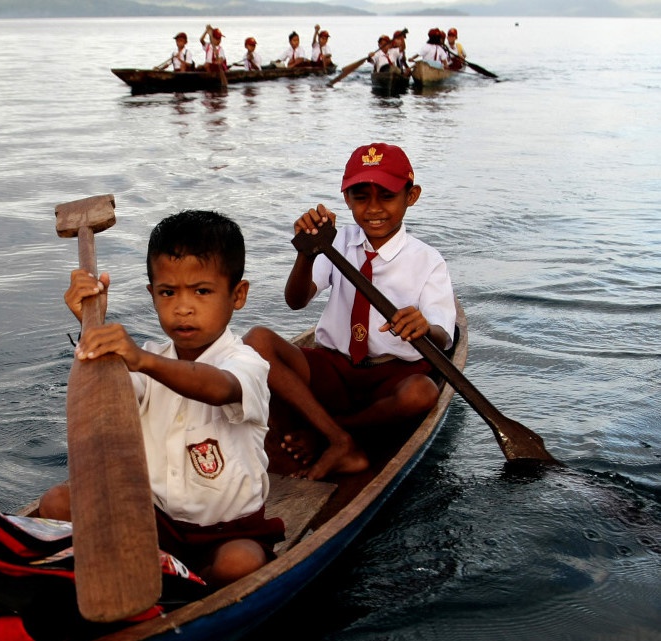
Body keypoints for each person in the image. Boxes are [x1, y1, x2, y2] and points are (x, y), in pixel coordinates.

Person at [38, 210, 284, 587]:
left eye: (202, 291)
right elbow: (105, 392)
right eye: (168, 293)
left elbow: (220, 387)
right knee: (56, 504)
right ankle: (152, 569)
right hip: (151, 520)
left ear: (238, 295)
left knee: (240, 564)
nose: (183, 308)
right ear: (152, 295)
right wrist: (90, 323)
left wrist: (142, 360)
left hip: (226, 532)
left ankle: (190, 585)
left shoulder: (245, 362)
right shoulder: (146, 360)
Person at [244, 143, 456, 479]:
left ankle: (325, 432)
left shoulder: (428, 261)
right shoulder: (336, 241)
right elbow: (296, 300)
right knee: (256, 341)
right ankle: (339, 440)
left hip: (392, 374)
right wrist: (306, 253)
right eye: (361, 197)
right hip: (336, 368)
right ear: (346, 199)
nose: (373, 209)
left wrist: (425, 326)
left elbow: (443, 337)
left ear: (411, 196)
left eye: (387, 196)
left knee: (422, 393)